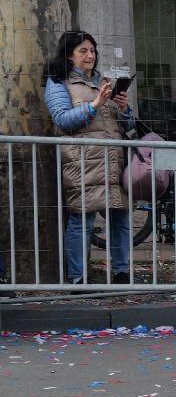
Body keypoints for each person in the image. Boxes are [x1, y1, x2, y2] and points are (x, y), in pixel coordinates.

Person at [44, 30, 136, 286]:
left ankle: (121, 273)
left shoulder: (103, 81)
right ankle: (78, 278)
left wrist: (124, 109)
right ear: (68, 54)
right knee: (81, 221)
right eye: (83, 50)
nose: (90, 55)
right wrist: (94, 104)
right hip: (82, 163)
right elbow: (62, 120)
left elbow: (127, 124)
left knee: (121, 219)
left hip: (113, 160)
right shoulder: (58, 82)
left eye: (92, 50)